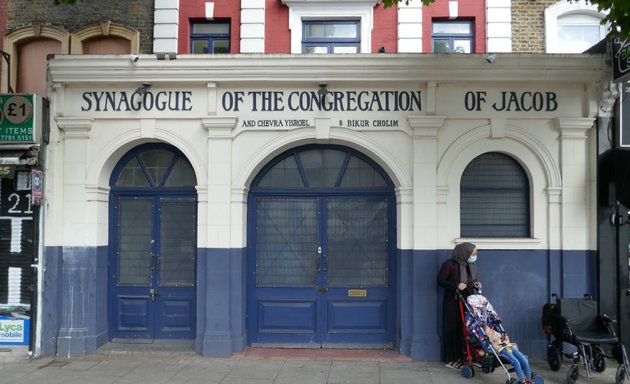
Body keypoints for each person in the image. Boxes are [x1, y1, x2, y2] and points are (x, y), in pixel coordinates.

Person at [437, 242, 482, 369]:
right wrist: (456, 285)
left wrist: (476, 284)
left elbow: (471, 281)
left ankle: (467, 356)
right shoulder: (449, 265)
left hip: (467, 300)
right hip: (453, 301)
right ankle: (452, 358)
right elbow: (441, 281)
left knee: (466, 329)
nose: (474, 256)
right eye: (473, 253)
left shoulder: (471, 266)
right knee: (452, 328)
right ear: (464, 253)